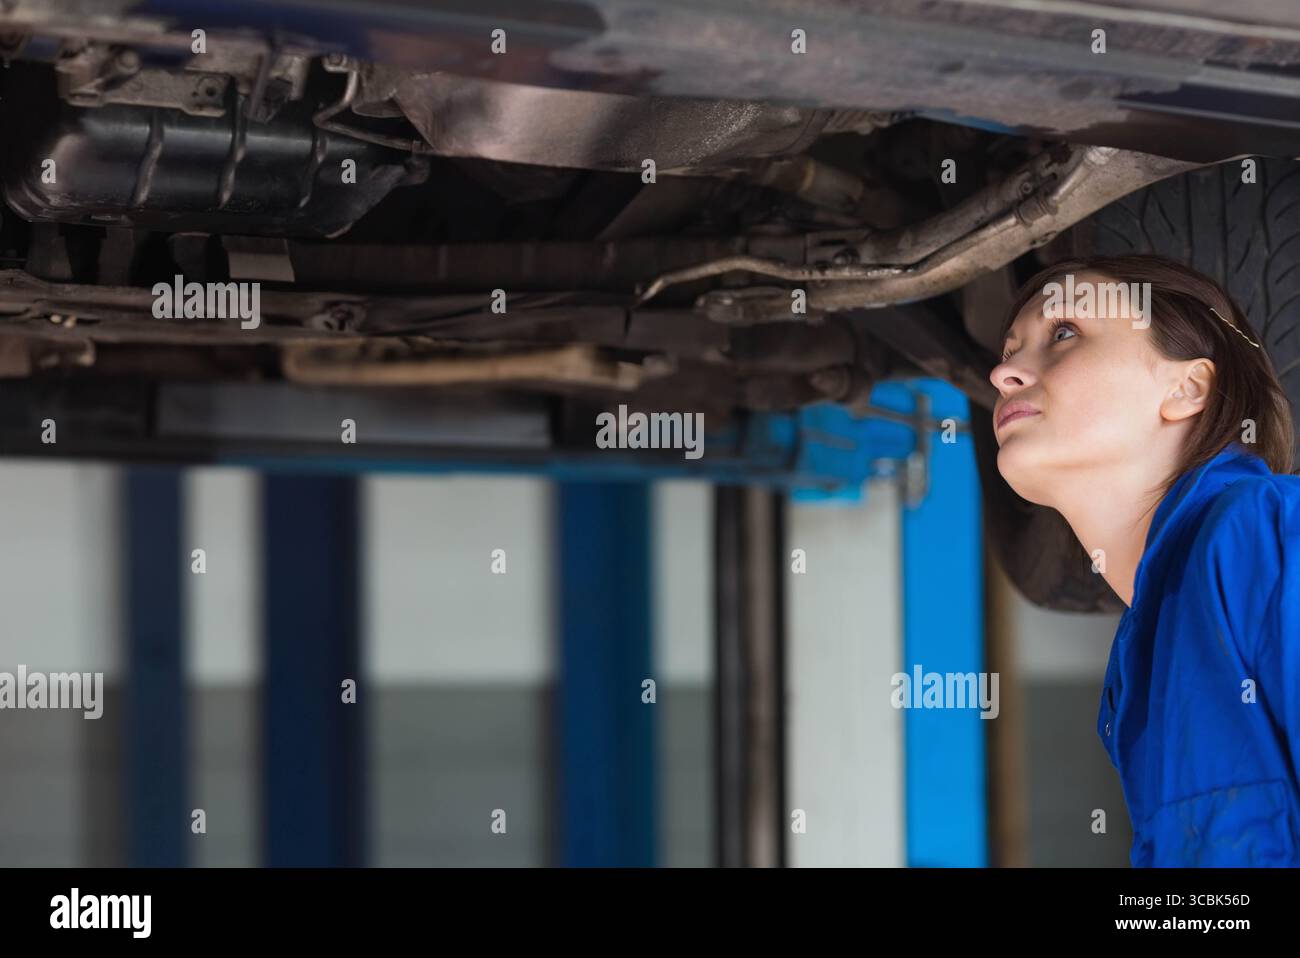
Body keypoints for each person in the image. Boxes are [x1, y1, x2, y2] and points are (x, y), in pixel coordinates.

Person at [989, 252, 1300, 866]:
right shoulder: (1142, 657)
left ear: (1185, 389)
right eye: (1009, 350)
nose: (1004, 374)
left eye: (1065, 333)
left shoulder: (1262, 530)